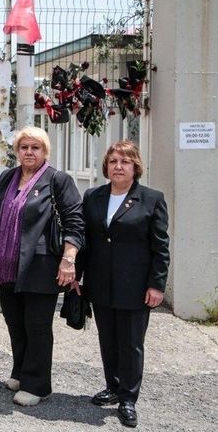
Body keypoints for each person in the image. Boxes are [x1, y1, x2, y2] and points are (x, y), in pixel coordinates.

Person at [0, 126, 84, 406]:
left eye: (35, 147)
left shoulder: (58, 180)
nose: (29, 152)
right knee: (15, 323)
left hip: (41, 265)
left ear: (45, 151)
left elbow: (75, 222)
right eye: (24, 147)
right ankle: (21, 372)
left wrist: (69, 259)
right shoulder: (6, 177)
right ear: (17, 151)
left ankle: (38, 385)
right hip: (6, 264)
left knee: (36, 326)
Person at [78, 141, 169, 428]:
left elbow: (161, 247)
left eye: (125, 162)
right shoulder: (93, 196)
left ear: (135, 167)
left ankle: (128, 399)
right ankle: (113, 386)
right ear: (106, 165)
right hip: (100, 283)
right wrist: (77, 276)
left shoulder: (151, 199)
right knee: (108, 340)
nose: (118, 166)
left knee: (131, 343)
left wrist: (157, 285)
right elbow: (85, 241)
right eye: (114, 161)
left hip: (135, 286)